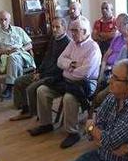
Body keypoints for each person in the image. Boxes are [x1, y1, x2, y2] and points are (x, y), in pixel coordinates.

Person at [28, 18, 101, 149]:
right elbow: (59, 61)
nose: (72, 33)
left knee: (69, 98)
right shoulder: (72, 43)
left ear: (84, 31)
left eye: (75, 31)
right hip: (67, 81)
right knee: (42, 90)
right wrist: (72, 65)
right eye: (71, 30)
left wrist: (67, 69)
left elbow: (85, 73)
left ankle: (73, 133)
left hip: (85, 84)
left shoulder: (93, 48)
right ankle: (46, 124)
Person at [9, 16, 70, 121]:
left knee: (31, 88)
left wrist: (41, 75)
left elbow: (59, 68)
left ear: (64, 28)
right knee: (19, 81)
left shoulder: (67, 43)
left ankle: (35, 113)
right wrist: (39, 71)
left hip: (54, 77)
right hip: (44, 73)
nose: (54, 29)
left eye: (57, 27)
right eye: (53, 27)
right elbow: (46, 58)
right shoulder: (53, 39)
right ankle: (25, 110)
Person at [93, 24, 128, 109]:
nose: (127, 40)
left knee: (102, 96)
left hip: (126, 84)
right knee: (98, 92)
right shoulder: (124, 48)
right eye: (127, 37)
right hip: (116, 77)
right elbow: (117, 64)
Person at [0, 10, 35, 100]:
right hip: (8, 56)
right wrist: (5, 51)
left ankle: (9, 87)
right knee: (12, 58)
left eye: (5, 19)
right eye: (1, 20)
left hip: (22, 55)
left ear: (10, 19)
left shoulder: (18, 30)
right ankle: (20, 88)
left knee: (14, 57)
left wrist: (21, 49)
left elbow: (30, 45)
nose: (3, 22)